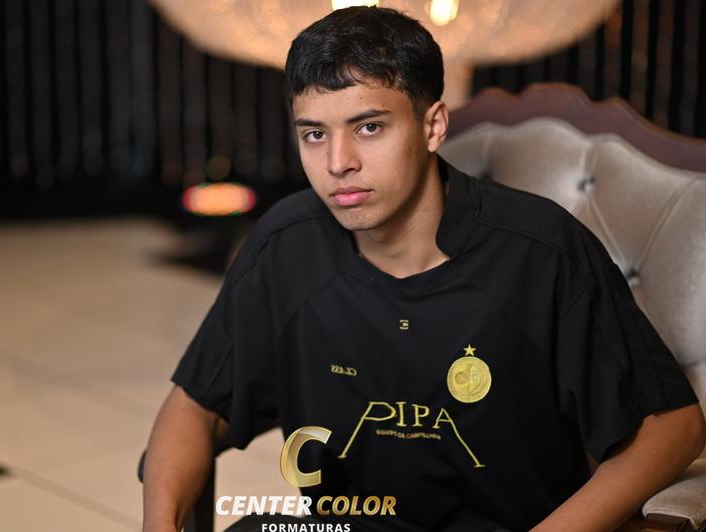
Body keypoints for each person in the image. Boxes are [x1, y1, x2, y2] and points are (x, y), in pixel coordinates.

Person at [142, 6, 706, 532]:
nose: (338, 163)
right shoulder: (286, 244)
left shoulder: (540, 251)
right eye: (314, 134)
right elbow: (192, 407)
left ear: (433, 126)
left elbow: (673, 426)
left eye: (369, 127)